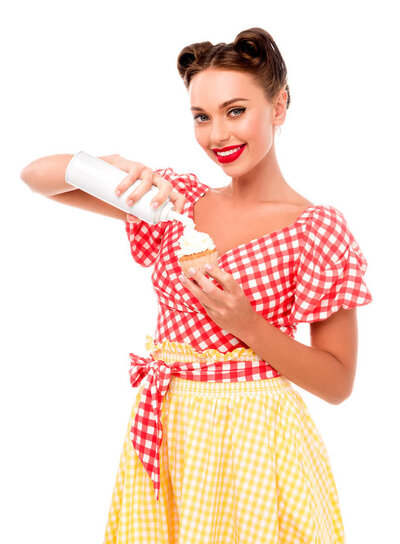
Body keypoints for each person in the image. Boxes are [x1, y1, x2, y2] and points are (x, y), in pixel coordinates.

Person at [20, 27, 373, 543]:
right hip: (169, 429)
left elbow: (337, 383)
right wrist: (106, 168)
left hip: (258, 440)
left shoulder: (316, 229)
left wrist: (247, 325)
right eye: (201, 117)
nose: (217, 136)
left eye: (235, 111)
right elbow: (35, 176)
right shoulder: (174, 201)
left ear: (279, 105)